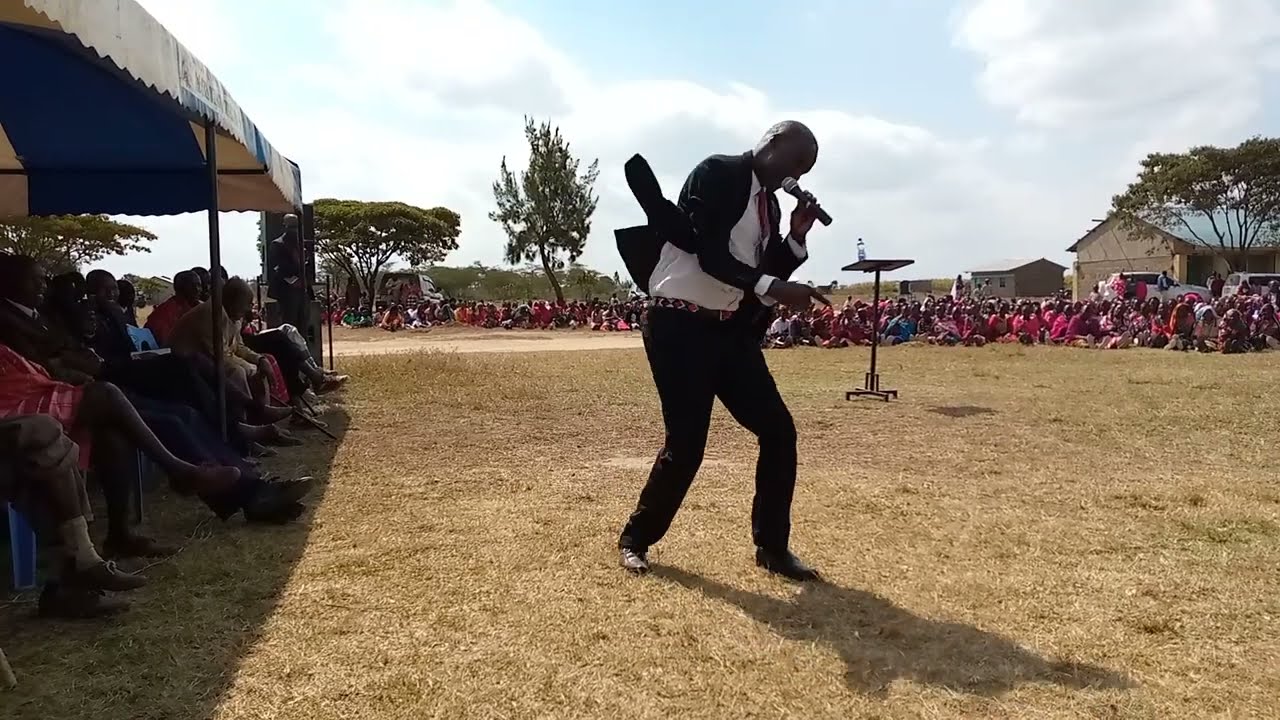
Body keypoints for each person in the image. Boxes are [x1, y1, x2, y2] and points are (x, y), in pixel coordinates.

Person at [616, 120, 828, 581]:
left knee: (778, 432)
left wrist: (796, 236)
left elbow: (764, 270)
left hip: (728, 332)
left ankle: (772, 548)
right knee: (687, 445)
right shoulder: (718, 173)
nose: (799, 175)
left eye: (806, 169)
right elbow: (712, 255)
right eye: (796, 161)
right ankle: (636, 538)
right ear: (769, 143)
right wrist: (777, 285)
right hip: (678, 325)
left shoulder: (769, 205)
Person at [267, 213, 309, 331]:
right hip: (286, 291)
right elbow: (277, 268)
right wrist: (294, 281)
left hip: (302, 290)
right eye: (291, 227)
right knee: (290, 325)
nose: (294, 230)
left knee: (303, 324)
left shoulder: (302, 244)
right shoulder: (278, 244)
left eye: (296, 226)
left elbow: (306, 266)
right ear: (285, 226)